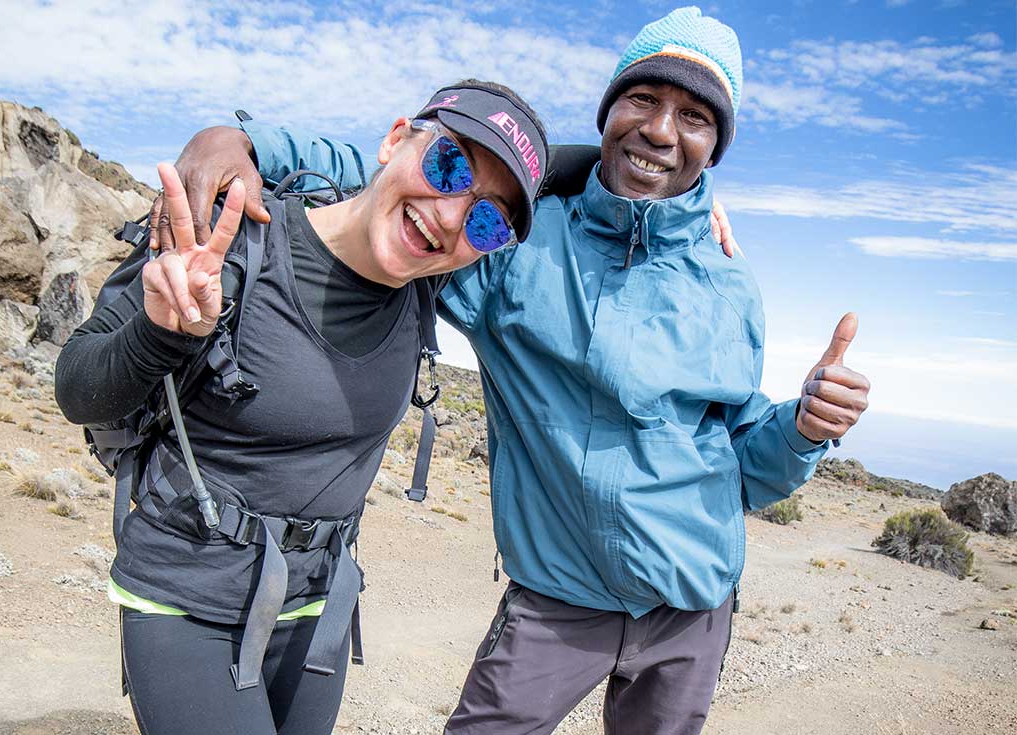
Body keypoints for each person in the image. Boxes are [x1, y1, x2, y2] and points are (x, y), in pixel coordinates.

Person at [152, 7, 872, 735]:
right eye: (643, 99)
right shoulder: (512, 243)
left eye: (694, 115)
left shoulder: (727, 283)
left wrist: (804, 427)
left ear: (715, 147)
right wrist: (244, 141)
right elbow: (404, 176)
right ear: (609, 110)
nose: (660, 128)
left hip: (693, 610)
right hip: (556, 603)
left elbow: (745, 463)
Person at [54, 80, 550, 735]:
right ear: (395, 139)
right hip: (190, 595)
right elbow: (76, 385)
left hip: (321, 604)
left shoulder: (428, 280)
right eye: (448, 164)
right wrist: (160, 332)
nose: (452, 215)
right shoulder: (231, 234)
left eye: (488, 220)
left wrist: (667, 173)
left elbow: (595, 168)